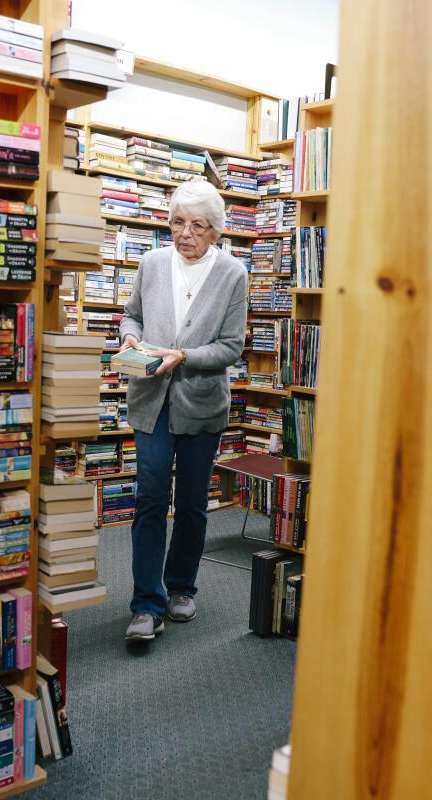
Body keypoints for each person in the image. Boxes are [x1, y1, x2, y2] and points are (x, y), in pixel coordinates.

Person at [118, 179, 248, 642]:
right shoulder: (151, 263)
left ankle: (181, 589)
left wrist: (186, 356)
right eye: (177, 221)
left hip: (202, 406)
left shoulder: (234, 273)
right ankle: (145, 603)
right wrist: (129, 337)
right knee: (150, 498)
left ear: (216, 231)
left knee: (192, 504)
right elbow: (131, 314)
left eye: (197, 225)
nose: (185, 233)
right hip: (151, 402)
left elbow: (231, 347)